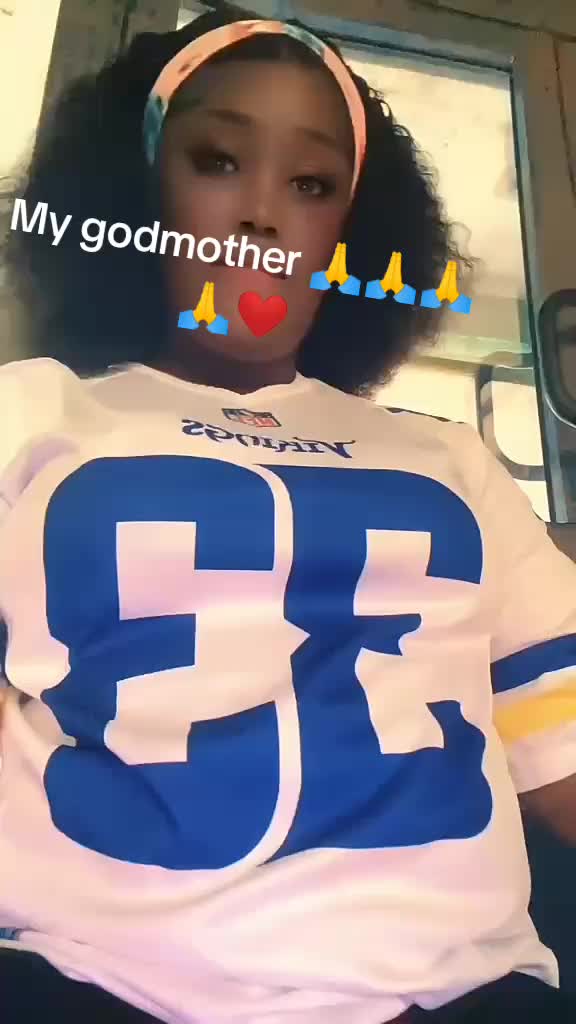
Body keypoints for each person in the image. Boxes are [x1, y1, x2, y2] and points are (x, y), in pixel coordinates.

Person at [0, 5, 575, 1023]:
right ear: (135, 191)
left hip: (460, 998)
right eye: (218, 161)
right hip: (93, 984)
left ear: (350, 232)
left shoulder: (450, 458)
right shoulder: (30, 414)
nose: (263, 216)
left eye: (311, 184)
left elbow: (561, 738)